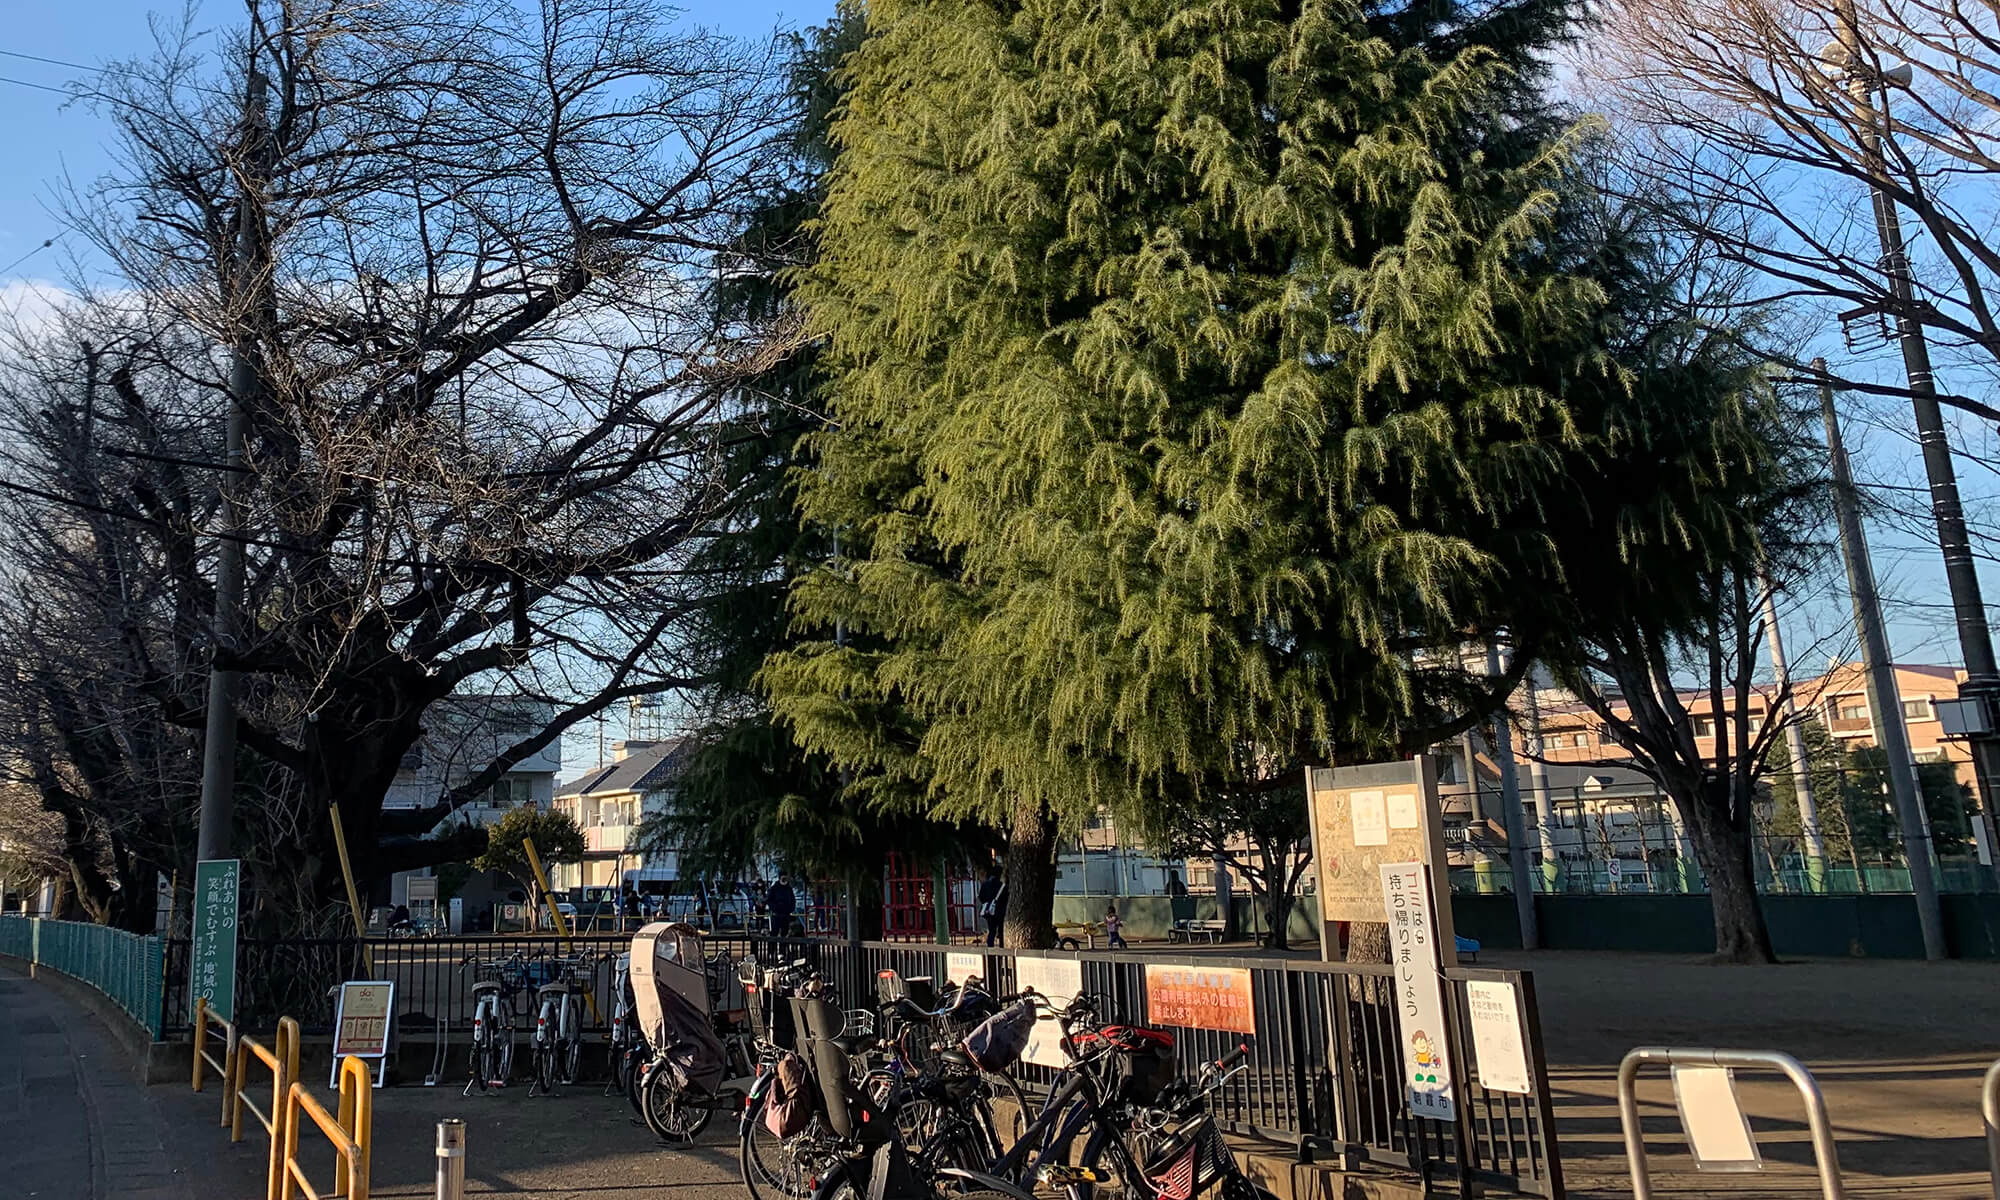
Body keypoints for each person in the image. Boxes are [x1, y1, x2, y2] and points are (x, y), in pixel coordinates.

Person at [977, 865, 1007, 947]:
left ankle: (990, 950)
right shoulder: (1002, 885)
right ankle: (1002, 948)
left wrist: (987, 903)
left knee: (992, 930)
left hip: (989, 911)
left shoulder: (985, 884)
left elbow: (980, 897)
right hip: (1000, 911)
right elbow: (1006, 898)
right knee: (1001, 931)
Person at [766, 872, 797, 937]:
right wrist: (775, 908)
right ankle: (772, 946)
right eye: (783, 878)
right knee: (774, 932)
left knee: (785, 932)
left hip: (786, 914)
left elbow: (793, 900)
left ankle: (783, 946)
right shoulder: (774, 888)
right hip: (776, 914)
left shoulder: (789, 888)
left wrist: (790, 909)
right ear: (779, 878)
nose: (784, 879)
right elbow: (769, 900)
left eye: (785, 878)